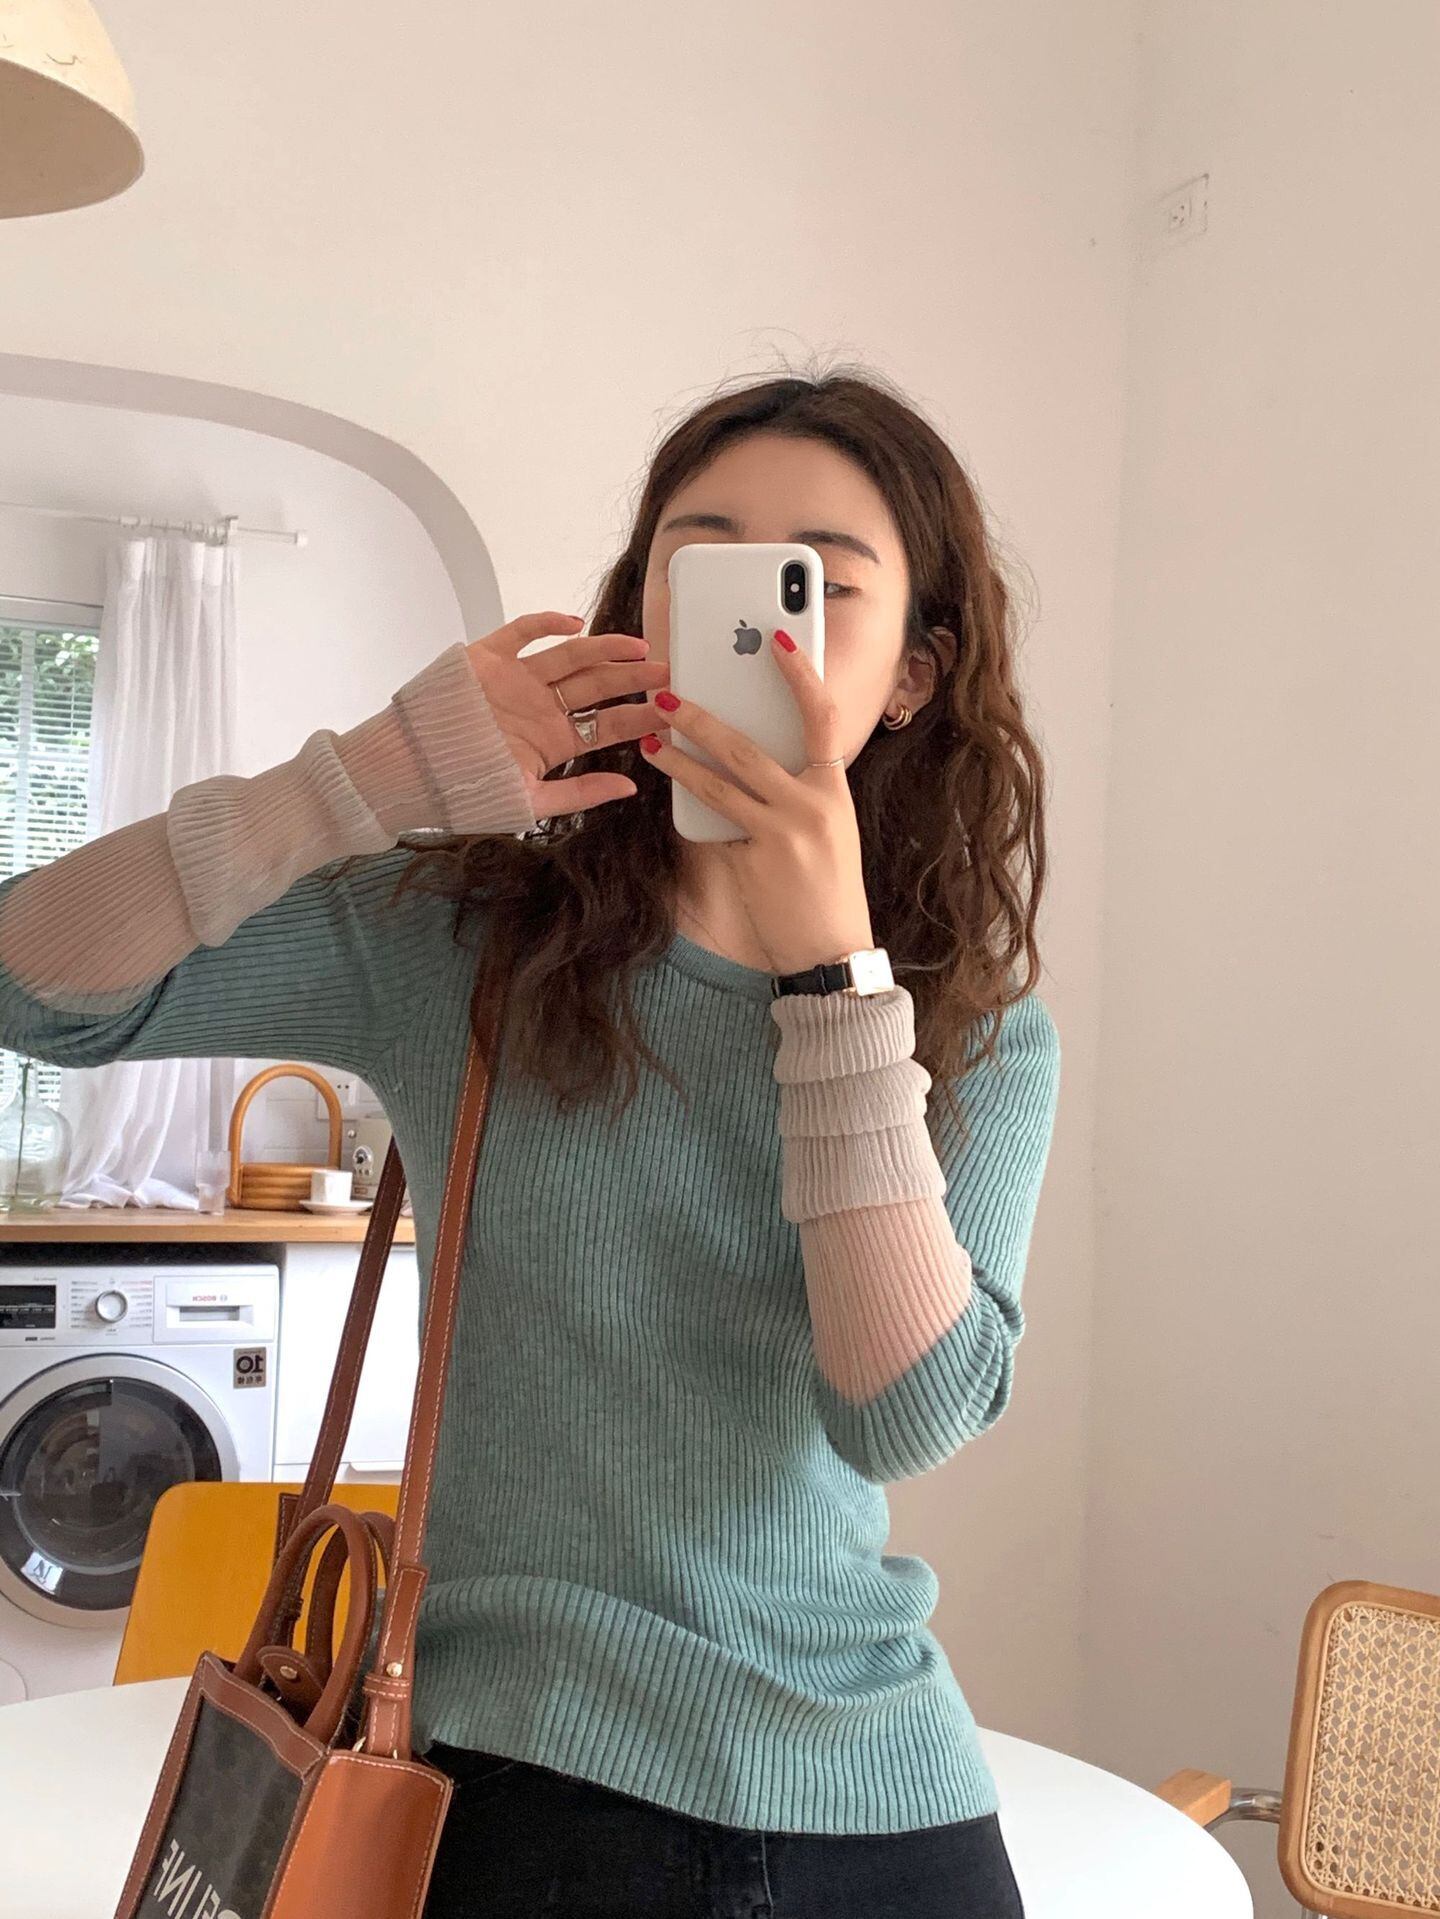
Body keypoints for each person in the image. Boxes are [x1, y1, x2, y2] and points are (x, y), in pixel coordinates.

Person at [0, 364, 1060, 1917]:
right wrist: (366, 776)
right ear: (639, 614)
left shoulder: (970, 1026)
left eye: (818, 588)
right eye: (701, 568)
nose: (755, 630)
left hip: (886, 1795)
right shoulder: (467, 941)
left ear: (914, 671)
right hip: (523, 1782)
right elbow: (35, 985)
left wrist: (835, 982)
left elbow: (898, 1418)